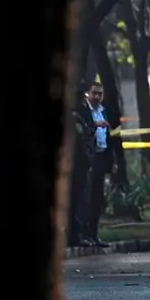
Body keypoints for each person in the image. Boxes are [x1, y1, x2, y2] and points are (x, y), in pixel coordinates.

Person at [85, 82, 119, 247]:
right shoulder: (84, 111)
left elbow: (113, 137)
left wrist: (113, 161)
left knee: (98, 198)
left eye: (100, 94)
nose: (97, 97)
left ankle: (94, 234)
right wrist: (94, 125)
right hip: (87, 159)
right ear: (88, 94)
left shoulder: (106, 111)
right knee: (87, 197)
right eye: (94, 93)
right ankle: (83, 234)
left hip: (102, 157)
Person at [68, 86, 96, 247]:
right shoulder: (74, 119)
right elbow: (80, 145)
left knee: (79, 201)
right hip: (77, 167)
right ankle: (74, 235)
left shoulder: (81, 117)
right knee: (75, 202)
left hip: (81, 166)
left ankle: (78, 234)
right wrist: (88, 160)